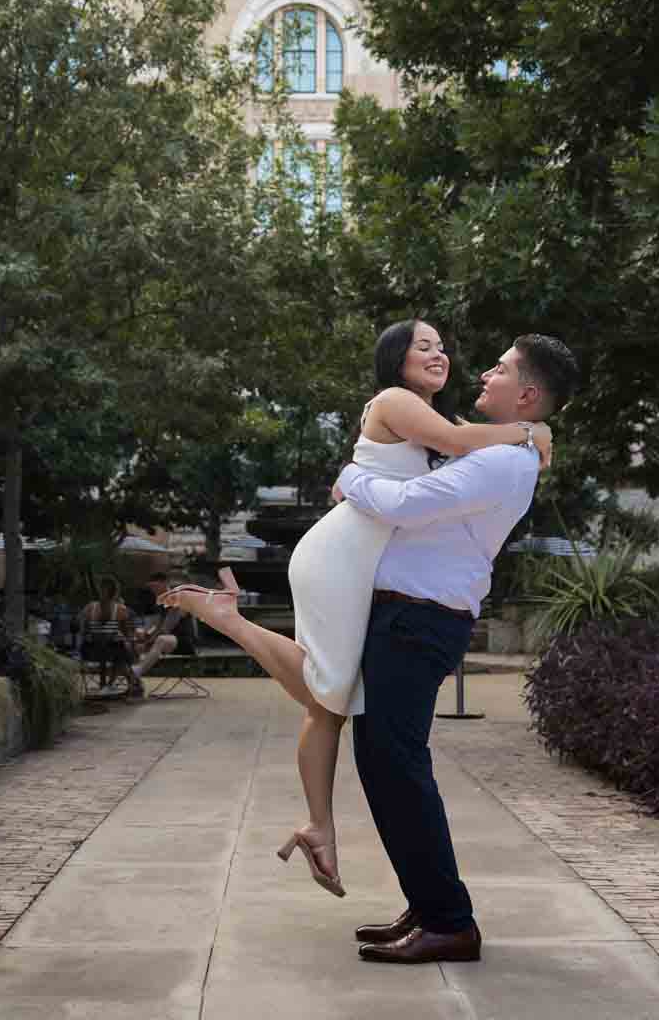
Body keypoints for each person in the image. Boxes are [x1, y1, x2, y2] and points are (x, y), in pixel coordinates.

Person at [161, 319, 554, 899]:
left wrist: (529, 432)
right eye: (423, 346)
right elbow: (458, 444)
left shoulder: (434, 419)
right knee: (330, 689)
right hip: (340, 554)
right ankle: (230, 620)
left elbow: (462, 438)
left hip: (355, 556)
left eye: (442, 347)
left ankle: (318, 824)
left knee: (330, 703)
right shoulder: (397, 401)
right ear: (395, 359)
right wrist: (530, 429)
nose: (438, 354)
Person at [341, 331, 580, 965]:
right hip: (409, 618)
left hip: (419, 622)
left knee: (398, 768)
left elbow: (409, 504)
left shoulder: (502, 460)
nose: (484, 376)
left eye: (499, 370)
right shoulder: (500, 449)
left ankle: (449, 920)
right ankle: (429, 905)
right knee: (387, 766)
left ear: (526, 393)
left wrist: (348, 478)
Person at [78, 575, 140, 696]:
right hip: (106, 652)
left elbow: (82, 630)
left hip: (91, 651)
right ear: (116, 593)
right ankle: (121, 683)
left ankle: (107, 685)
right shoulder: (120, 610)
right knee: (121, 650)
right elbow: (128, 634)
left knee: (118, 648)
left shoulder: (89, 608)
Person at [131, 572, 194, 684]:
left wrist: (148, 643)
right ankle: (134, 679)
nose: (152, 590)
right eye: (151, 587)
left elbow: (165, 628)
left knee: (161, 639)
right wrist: (144, 636)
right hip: (168, 640)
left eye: (155, 587)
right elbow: (157, 625)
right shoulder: (160, 601)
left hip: (182, 641)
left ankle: (138, 671)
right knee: (137, 642)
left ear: (164, 584)